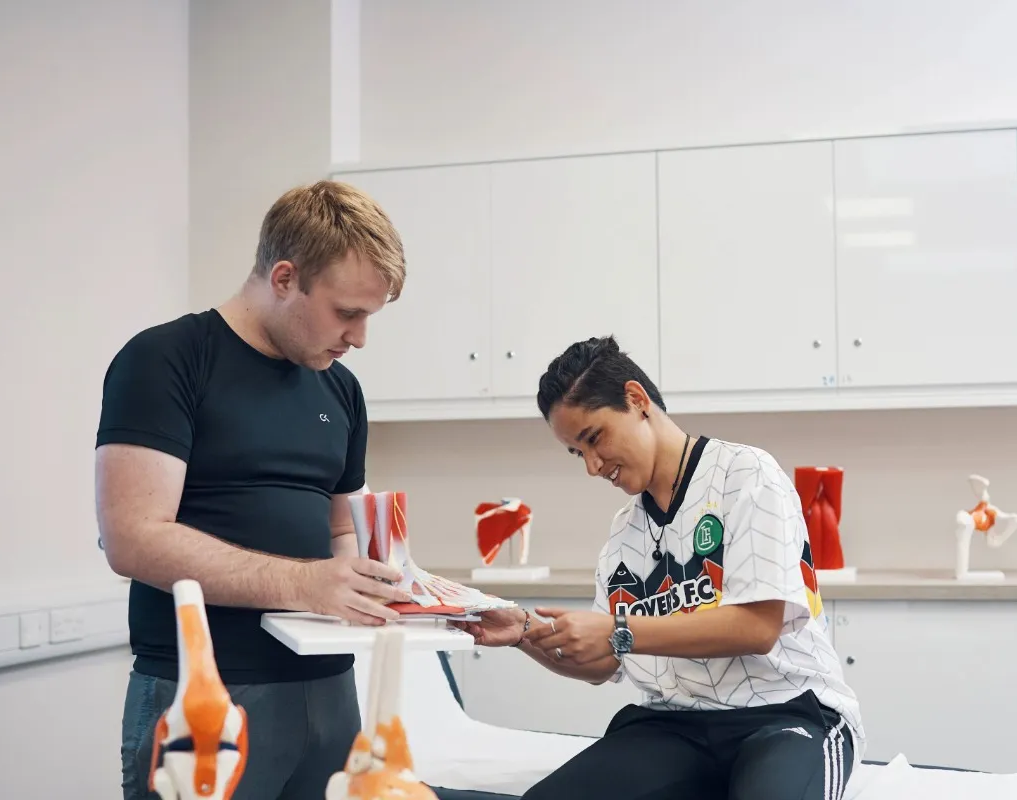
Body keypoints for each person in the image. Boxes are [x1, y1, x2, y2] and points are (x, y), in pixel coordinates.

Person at [95, 180, 416, 800]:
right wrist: (306, 583)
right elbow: (132, 539)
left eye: (369, 317)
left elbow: (340, 527)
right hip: (205, 694)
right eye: (347, 312)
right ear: (285, 277)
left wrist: (370, 581)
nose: (359, 338)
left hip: (329, 690)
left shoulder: (339, 389)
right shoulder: (166, 360)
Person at [457, 335, 865, 800]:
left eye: (594, 438)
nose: (592, 466)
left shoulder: (747, 474)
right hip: (673, 727)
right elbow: (603, 663)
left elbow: (758, 626)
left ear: (636, 399)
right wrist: (524, 631)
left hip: (787, 714)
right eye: (577, 453)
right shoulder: (623, 533)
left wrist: (618, 629)